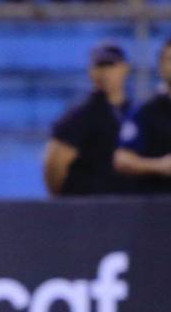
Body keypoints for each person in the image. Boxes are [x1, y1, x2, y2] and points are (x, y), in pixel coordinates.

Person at [43, 42, 135, 196]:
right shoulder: (79, 116)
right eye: (99, 66)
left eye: (110, 65)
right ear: (91, 71)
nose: (104, 73)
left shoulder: (136, 112)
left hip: (128, 203)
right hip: (88, 203)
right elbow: (54, 164)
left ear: (125, 68)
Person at [114, 35, 171, 193]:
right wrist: (159, 165)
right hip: (162, 200)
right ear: (161, 65)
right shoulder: (146, 111)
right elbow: (122, 158)